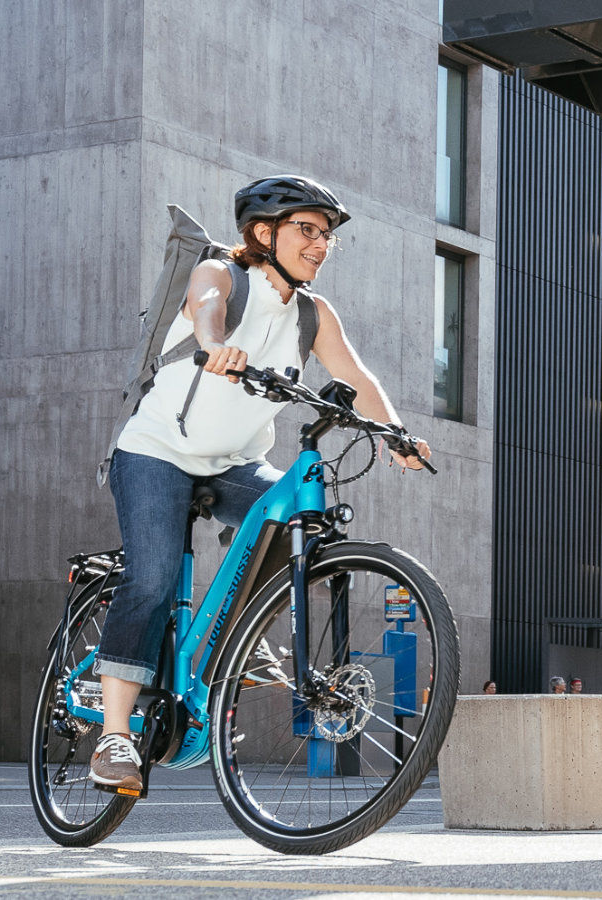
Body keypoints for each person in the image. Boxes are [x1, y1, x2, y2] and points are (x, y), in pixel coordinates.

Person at [89, 175, 430, 791]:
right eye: (308, 230)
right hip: (157, 451)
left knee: (296, 517)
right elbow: (206, 307)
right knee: (154, 576)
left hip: (233, 463)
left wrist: (396, 433)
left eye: (327, 236)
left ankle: (240, 633)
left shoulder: (313, 314)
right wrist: (215, 345)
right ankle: (114, 736)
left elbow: (357, 377)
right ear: (264, 232)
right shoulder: (222, 272)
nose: (321, 245)